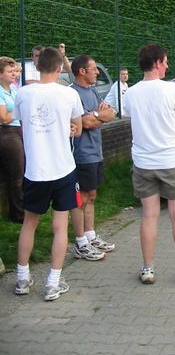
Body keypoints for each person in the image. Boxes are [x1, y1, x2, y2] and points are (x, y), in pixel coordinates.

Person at [122, 43, 175, 285]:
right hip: (174, 160)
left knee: (149, 215)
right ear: (157, 63)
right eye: (165, 61)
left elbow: (129, 120)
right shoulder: (172, 89)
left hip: (144, 162)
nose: (167, 65)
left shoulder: (131, 93)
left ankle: (148, 268)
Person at [13, 47, 84, 301]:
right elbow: (78, 126)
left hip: (35, 170)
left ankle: (22, 278)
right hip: (63, 168)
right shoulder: (69, 94)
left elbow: (20, 123)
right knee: (59, 226)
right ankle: (53, 283)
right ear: (58, 68)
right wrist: (71, 128)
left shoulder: (23, 93)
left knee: (29, 223)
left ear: (38, 66)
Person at [69, 55, 117, 262]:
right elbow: (83, 123)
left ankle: (90, 235)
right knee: (82, 198)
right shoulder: (72, 93)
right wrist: (97, 117)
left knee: (93, 194)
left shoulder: (93, 91)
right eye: (93, 69)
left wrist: (95, 115)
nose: (97, 72)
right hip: (82, 154)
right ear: (82, 71)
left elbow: (111, 113)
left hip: (96, 152)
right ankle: (80, 243)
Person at [0, 56, 25, 223]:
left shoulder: (14, 89)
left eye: (14, 71)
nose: (13, 74)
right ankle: (17, 213)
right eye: (9, 71)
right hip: (7, 133)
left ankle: (24, 206)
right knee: (16, 173)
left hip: (19, 129)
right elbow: (3, 118)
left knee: (23, 170)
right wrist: (17, 111)